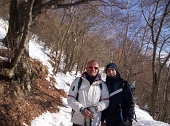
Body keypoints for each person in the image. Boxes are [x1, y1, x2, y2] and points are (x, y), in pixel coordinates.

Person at [67, 60, 109, 126]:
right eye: (90, 67)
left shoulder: (102, 85)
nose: (93, 69)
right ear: (86, 68)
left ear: (98, 70)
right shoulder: (78, 81)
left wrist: (96, 108)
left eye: (95, 68)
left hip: (94, 122)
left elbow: (106, 101)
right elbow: (70, 98)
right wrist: (81, 109)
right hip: (78, 121)